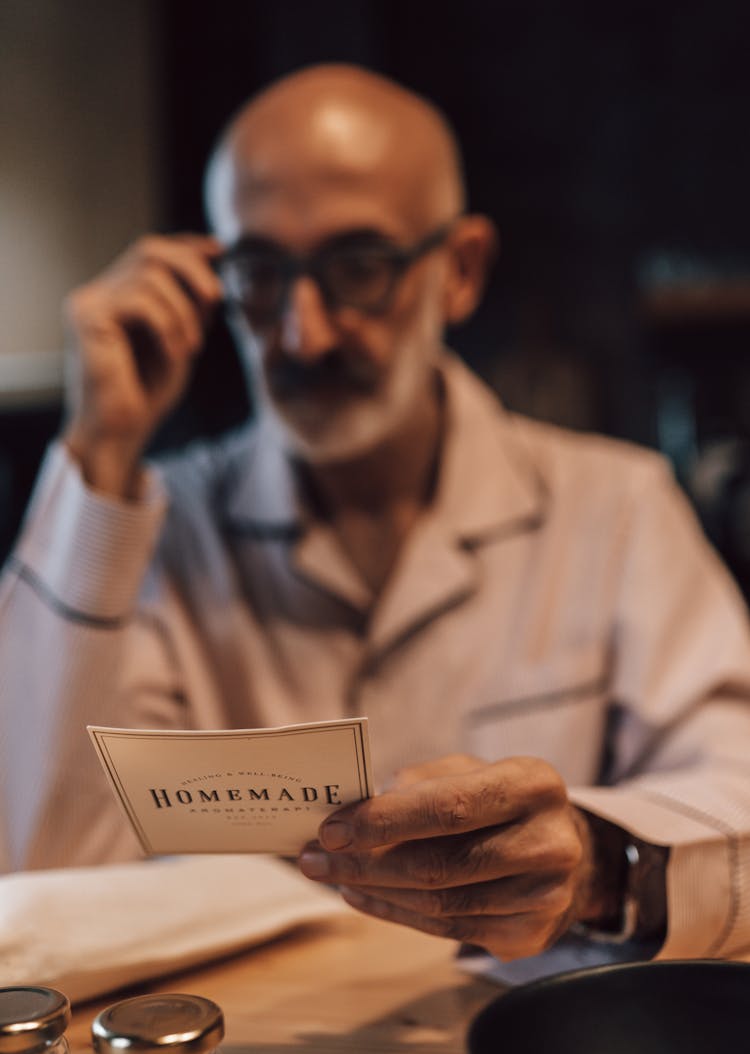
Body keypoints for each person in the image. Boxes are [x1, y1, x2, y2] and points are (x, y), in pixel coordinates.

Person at [2, 63, 750, 970]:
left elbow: (737, 788)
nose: (301, 333)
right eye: (261, 272)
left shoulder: (614, 507)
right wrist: (98, 458)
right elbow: (37, 868)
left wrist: (595, 864)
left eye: (358, 268)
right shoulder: (157, 532)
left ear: (461, 269)